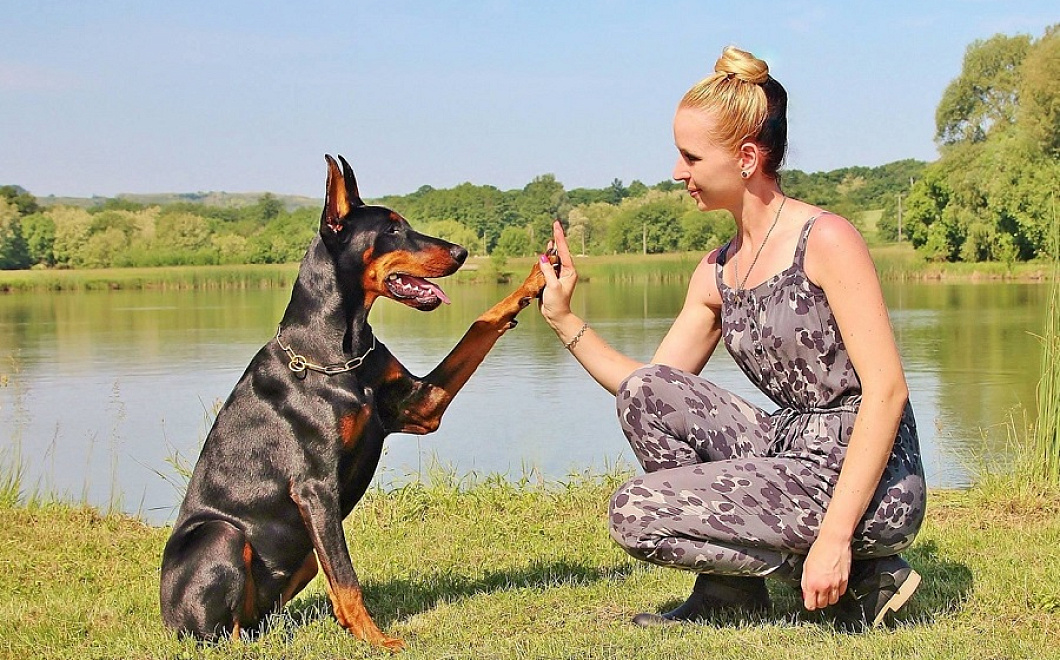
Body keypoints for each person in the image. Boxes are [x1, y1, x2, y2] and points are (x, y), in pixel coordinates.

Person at [536, 46, 926, 630]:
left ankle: (854, 567)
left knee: (634, 512)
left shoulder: (827, 239)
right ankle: (731, 592)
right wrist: (565, 319)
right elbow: (648, 387)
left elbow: (887, 392)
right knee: (647, 393)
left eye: (690, 156)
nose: (676, 171)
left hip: (869, 474)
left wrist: (835, 538)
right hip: (789, 448)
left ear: (746, 158)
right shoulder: (716, 272)